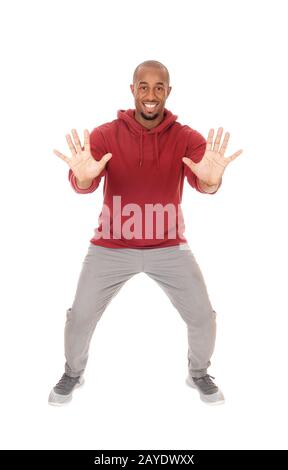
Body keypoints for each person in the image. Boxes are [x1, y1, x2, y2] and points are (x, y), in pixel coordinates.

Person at [49, 60, 242, 406]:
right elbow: (84, 181)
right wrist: (83, 178)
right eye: (143, 86)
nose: (150, 95)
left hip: (170, 246)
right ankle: (73, 373)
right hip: (111, 245)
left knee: (202, 316)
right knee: (78, 317)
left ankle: (198, 372)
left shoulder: (185, 138)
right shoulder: (106, 134)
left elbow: (204, 179)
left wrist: (212, 182)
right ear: (132, 90)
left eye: (158, 88)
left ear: (168, 92)